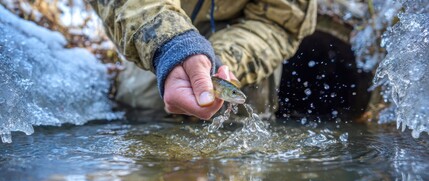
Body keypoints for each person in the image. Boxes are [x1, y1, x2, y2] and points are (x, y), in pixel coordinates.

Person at [88, 0, 317, 120]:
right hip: (157, 22)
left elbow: (279, 21)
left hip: (243, 34)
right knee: (141, 102)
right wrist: (171, 46)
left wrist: (222, 61)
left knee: (249, 111)